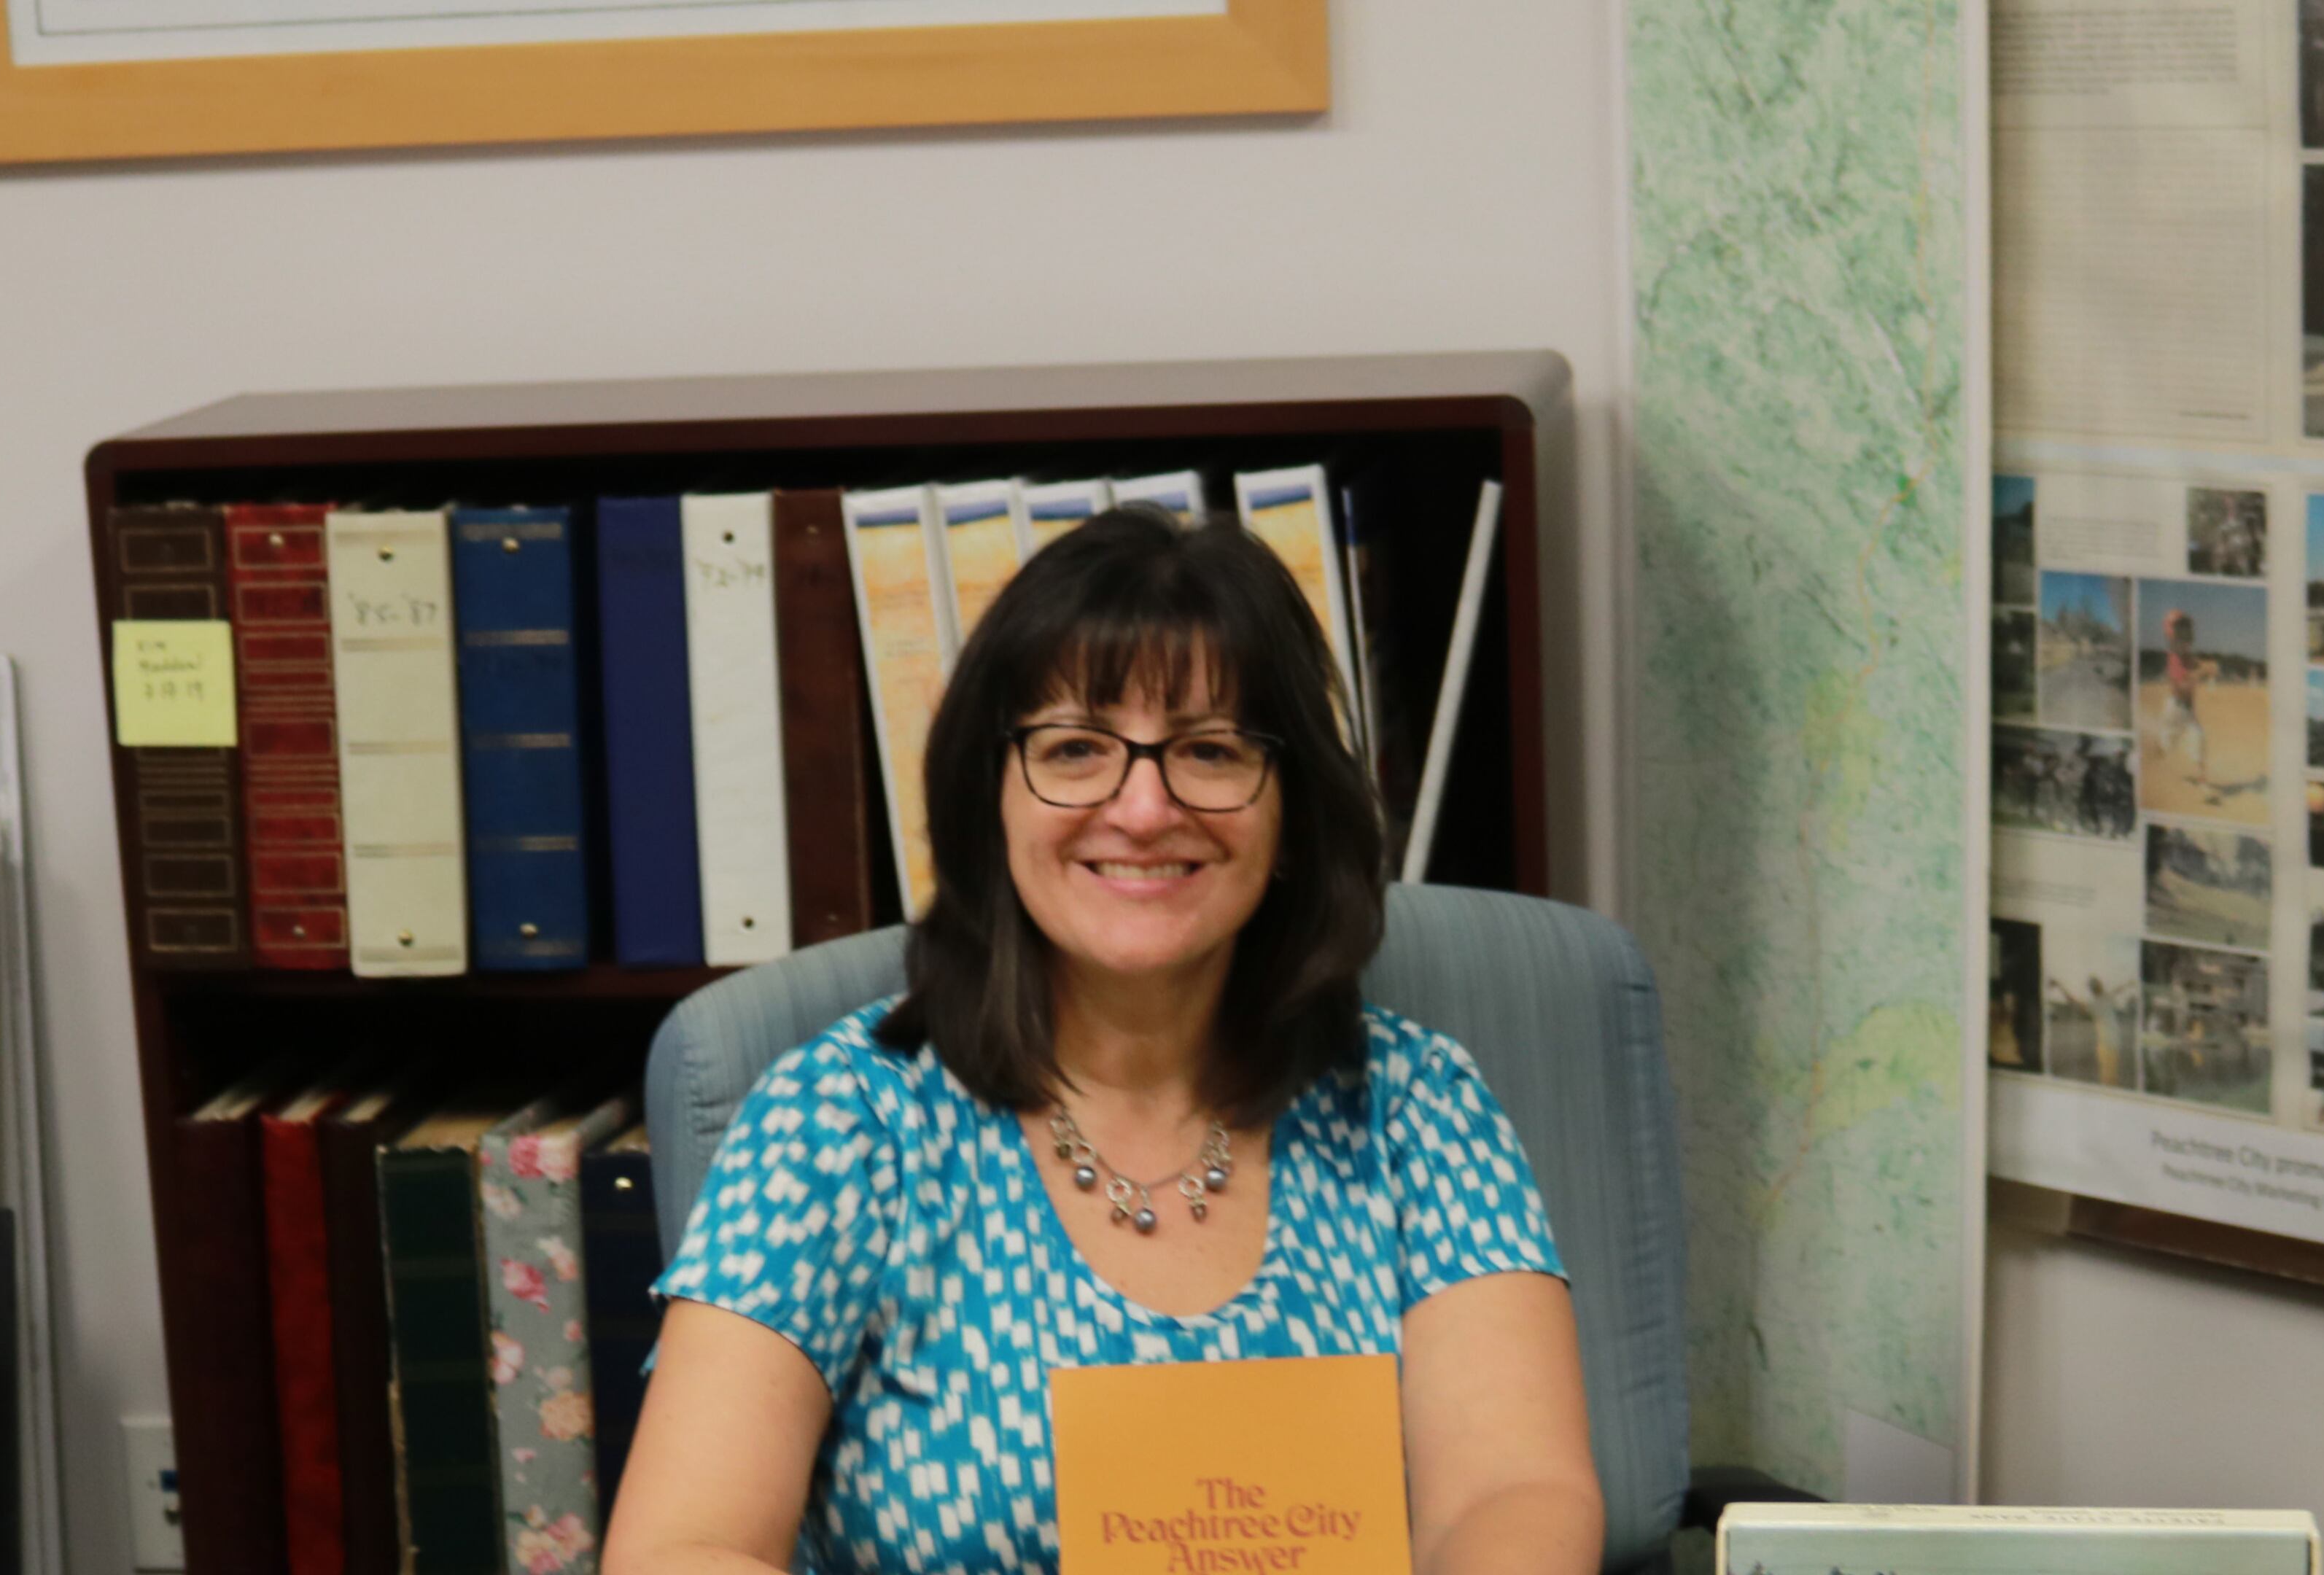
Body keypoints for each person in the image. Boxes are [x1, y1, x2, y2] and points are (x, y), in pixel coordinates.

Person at [605, 505, 1603, 1575]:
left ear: (1290, 812)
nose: (1141, 808)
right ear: (989, 798)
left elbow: (1515, 1493)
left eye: (1209, 751)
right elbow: (683, 1547)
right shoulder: (841, 1121)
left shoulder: (1415, 1106)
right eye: (1076, 748)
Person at [2156, 609, 2210, 791]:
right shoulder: (2175, 658)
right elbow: (2181, 687)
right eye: (2180, 630)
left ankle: (2202, 782)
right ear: (2172, 634)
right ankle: (2152, 758)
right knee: (2165, 747)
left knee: (2199, 738)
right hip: (2175, 711)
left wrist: (2204, 667)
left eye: (2187, 630)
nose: (2185, 635)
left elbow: (2198, 665)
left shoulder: (2186, 656)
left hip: (2188, 711)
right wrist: (2200, 674)